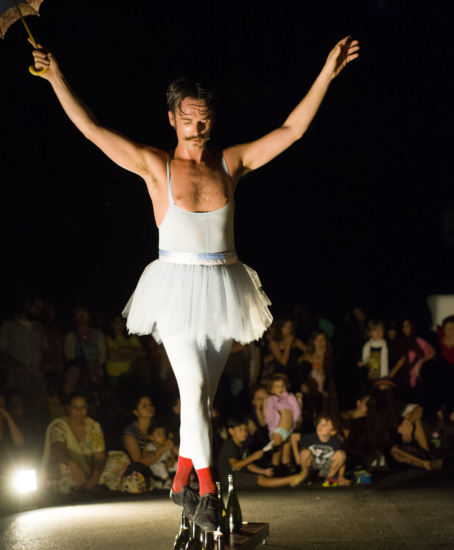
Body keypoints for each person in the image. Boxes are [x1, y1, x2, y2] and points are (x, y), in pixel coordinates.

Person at [30, 34, 360, 530]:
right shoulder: (155, 165)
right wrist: (56, 76)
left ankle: (180, 478)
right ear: (172, 119)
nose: (197, 127)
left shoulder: (231, 162)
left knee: (202, 401)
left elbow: (291, 130)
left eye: (204, 118)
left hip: (225, 291)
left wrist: (327, 74)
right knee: (196, 388)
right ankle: (206, 494)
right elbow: (93, 130)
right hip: (176, 292)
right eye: (187, 119)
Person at [42, 391, 129, 493]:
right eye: (75, 407)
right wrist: (72, 464)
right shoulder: (59, 426)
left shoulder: (93, 426)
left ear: (87, 409)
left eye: (83, 407)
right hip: (70, 467)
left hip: (89, 468)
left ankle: (92, 485)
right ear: (68, 408)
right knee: (61, 468)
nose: (79, 411)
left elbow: (99, 457)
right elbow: (58, 450)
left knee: (121, 459)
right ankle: (79, 488)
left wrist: (95, 475)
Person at [217, 418, 298, 489]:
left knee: (261, 476)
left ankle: (290, 479)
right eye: (240, 429)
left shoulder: (244, 445)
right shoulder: (230, 445)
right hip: (228, 478)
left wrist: (263, 471)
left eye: (246, 429)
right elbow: (235, 465)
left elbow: (248, 465)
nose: (244, 432)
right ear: (231, 431)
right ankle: (290, 480)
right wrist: (253, 457)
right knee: (259, 479)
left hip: (239, 474)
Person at [0, 297, 49, 399]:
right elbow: (0, 350)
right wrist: (16, 365)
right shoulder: (9, 325)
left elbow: (45, 348)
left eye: (40, 309)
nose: (37, 311)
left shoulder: (39, 327)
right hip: (16, 380)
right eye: (36, 306)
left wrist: (44, 364)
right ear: (27, 304)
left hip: (37, 381)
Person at [293, 414, 349, 487]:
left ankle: (330, 478)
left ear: (333, 431)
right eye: (320, 422)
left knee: (341, 454)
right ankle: (305, 474)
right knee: (305, 452)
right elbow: (293, 437)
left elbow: (343, 459)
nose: (321, 425)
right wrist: (297, 456)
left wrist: (341, 475)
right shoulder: (311, 437)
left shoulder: (335, 441)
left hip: (327, 468)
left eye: (325, 425)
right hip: (313, 467)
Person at [264, 376, 301, 471]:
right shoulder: (272, 399)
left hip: (288, 431)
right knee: (277, 452)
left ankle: (287, 470)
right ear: (272, 390)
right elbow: (267, 413)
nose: (281, 388)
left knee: (286, 453)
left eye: (282, 385)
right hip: (278, 431)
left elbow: (297, 410)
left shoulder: (289, 399)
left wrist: (299, 400)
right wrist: (265, 402)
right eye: (277, 386)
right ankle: (274, 470)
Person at [63, 307, 106, 387]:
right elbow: (70, 358)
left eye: (84, 314)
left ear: (89, 317)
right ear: (75, 319)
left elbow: (103, 357)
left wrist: (94, 363)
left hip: (96, 375)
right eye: (79, 315)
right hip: (78, 377)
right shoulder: (70, 337)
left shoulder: (98, 334)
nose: (82, 317)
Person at [105, 314, 147, 390]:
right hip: (115, 374)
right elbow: (112, 357)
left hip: (132, 373)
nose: (118, 324)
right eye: (115, 322)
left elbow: (143, 352)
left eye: (120, 321)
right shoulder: (108, 338)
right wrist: (133, 355)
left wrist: (124, 350)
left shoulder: (131, 337)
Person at [268, 317, 306, 391]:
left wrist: (300, 359)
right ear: (280, 328)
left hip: (295, 375)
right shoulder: (274, 343)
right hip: (281, 376)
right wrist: (288, 345)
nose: (288, 330)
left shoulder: (295, 341)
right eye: (285, 327)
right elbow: (283, 362)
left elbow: (308, 351)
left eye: (290, 327)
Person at [143, 424, 179, 489]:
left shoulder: (167, 447)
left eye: (164, 434)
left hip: (166, 466)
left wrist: (172, 461)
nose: (162, 436)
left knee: (178, 464)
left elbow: (173, 457)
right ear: (151, 437)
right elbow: (144, 455)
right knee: (160, 466)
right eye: (159, 434)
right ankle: (169, 481)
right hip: (155, 467)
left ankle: (186, 481)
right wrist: (151, 453)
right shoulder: (149, 446)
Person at [358, 319, 389, 389]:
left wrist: (387, 377)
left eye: (381, 329)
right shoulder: (367, 346)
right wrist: (363, 363)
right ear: (370, 333)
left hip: (384, 376)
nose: (378, 332)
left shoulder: (386, 344)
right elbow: (365, 360)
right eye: (375, 330)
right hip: (371, 377)